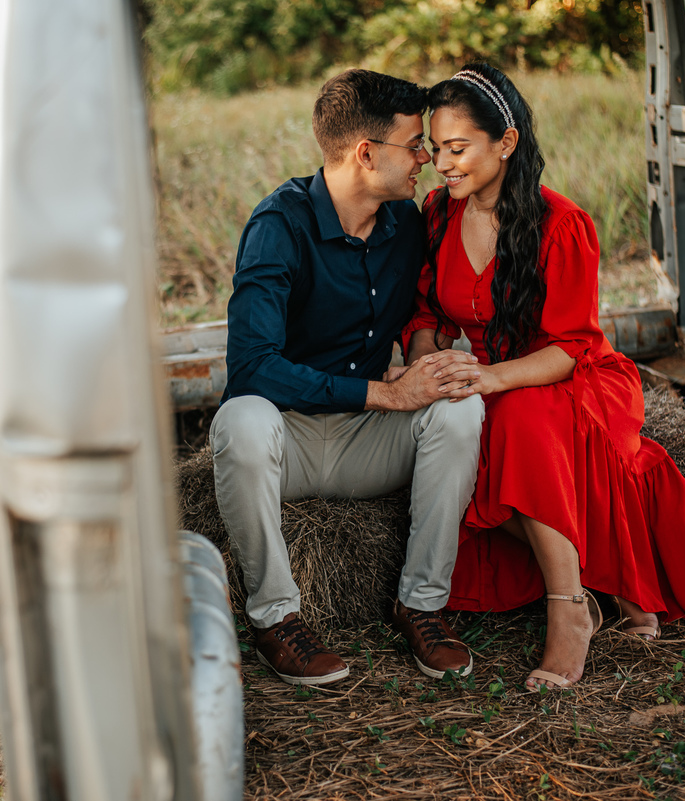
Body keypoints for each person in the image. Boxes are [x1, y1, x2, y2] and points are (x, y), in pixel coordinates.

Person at [401, 63, 685, 691]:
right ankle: (602, 585)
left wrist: (491, 380)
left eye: (457, 149)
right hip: (492, 372)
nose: (441, 164)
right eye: (435, 149)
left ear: (506, 143)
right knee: (450, 433)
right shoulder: (437, 214)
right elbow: (427, 314)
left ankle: (568, 609)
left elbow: (570, 346)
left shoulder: (561, 223)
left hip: (570, 376)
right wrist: (425, 364)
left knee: (516, 421)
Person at [211, 69, 487, 686]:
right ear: (366, 153)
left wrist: (423, 359)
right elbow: (251, 366)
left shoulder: (407, 224)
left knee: (460, 407)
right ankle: (275, 618)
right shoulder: (278, 225)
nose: (426, 159)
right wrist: (387, 392)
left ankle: (421, 606)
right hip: (288, 441)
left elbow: (430, 308)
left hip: (367, 442)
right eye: (414, 145)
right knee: (239, 420)